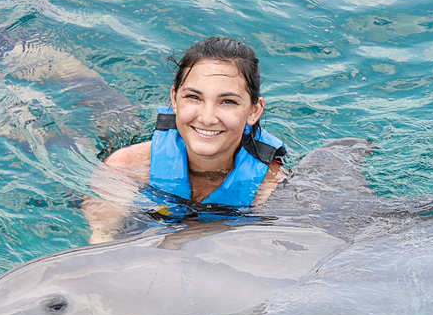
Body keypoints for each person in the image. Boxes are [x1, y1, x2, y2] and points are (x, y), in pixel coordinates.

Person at [82, 36, 289, 243]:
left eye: (227, 101)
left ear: (254, 111)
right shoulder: (125, 169)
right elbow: (102, 243)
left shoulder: (273, 190)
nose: (207, 118)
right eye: (193, 97)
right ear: (174, 99)